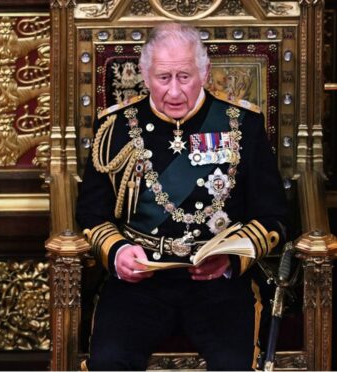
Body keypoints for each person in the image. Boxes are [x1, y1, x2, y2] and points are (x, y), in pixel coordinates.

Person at [76, 22, 287, 370]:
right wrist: (117, 253)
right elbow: (91, 213)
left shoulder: (242, 125)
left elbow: (273, 215)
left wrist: (231, 260)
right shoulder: (114, 128)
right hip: (139, 284)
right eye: (163, 78)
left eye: (184, 77)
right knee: (109, 361)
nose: (174, 92)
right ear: (145, 75)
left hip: (217, 285)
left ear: (204, 73)